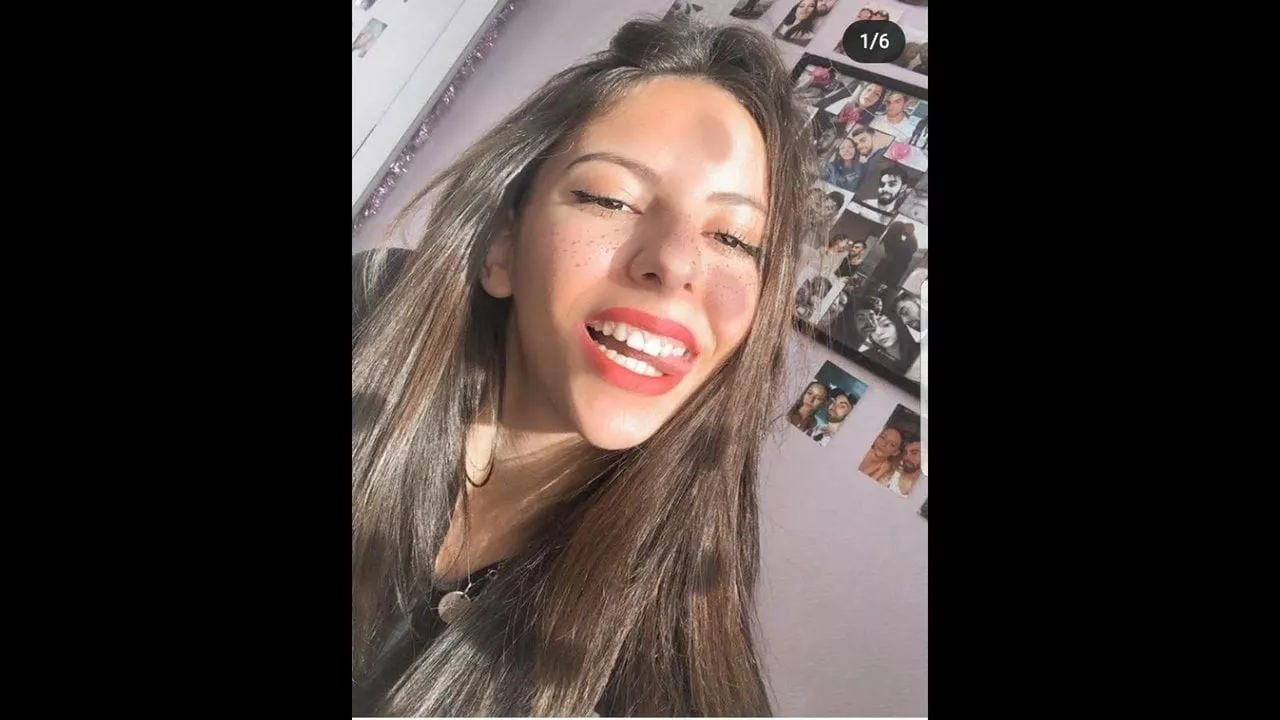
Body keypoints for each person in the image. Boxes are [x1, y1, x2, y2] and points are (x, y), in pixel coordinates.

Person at [351, 17, 810, 717]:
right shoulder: (372, 305)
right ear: (502, 247)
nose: (676, 263)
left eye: (735, 239)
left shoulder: (671, 692)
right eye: (611, 199)